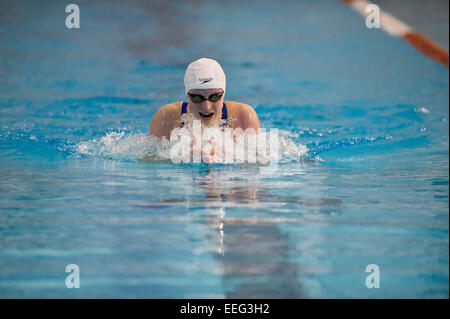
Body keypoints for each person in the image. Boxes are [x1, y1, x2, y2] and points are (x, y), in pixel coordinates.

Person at [149, 58, 260, 139]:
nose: (206, 107)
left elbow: (255, 164)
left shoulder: (244, 116)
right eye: (197, 98)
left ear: (224, 94)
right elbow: (150, 163)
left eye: (215, 97)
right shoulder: (166, 117)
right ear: (187, 96)